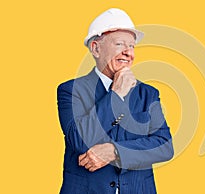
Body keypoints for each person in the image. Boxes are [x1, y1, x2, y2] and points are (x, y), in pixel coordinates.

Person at [57, 8, 174, 194]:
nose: (129, 53)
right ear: (96, 48)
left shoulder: (148, 94)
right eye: (120, 44)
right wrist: (116, 95)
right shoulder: (71, 91)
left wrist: (115, 152)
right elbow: (79, 140)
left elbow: (165, 146)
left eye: (132, 46)